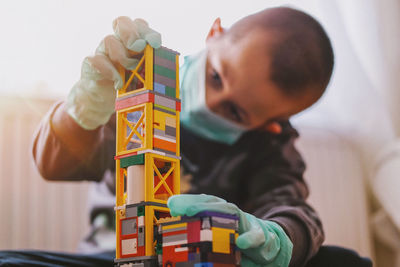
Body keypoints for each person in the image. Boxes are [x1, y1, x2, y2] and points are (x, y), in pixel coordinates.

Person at [0, 7, 372, 267]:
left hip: (202, 262)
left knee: (344, 262)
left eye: (236, 112)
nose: (211, 103)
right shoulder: (142, 83)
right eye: (215, 76)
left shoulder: (269, 148)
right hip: (107, 259)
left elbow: (297, 213)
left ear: (269, 125)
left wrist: (271, 238)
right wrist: (84, 108)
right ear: (214, 33)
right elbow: (54, 164)